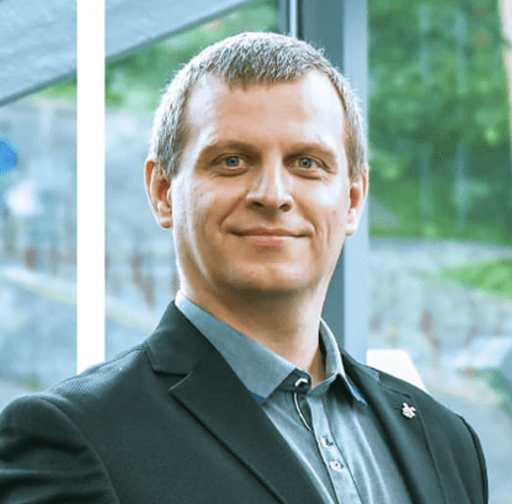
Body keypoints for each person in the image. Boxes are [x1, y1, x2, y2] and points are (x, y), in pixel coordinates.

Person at [0, 32, 487, 504]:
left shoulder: (445, 440)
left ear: (354, 200)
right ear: (163, 191)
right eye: (232, 161)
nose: (273, 195)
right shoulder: (73, 437)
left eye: (307, 163)